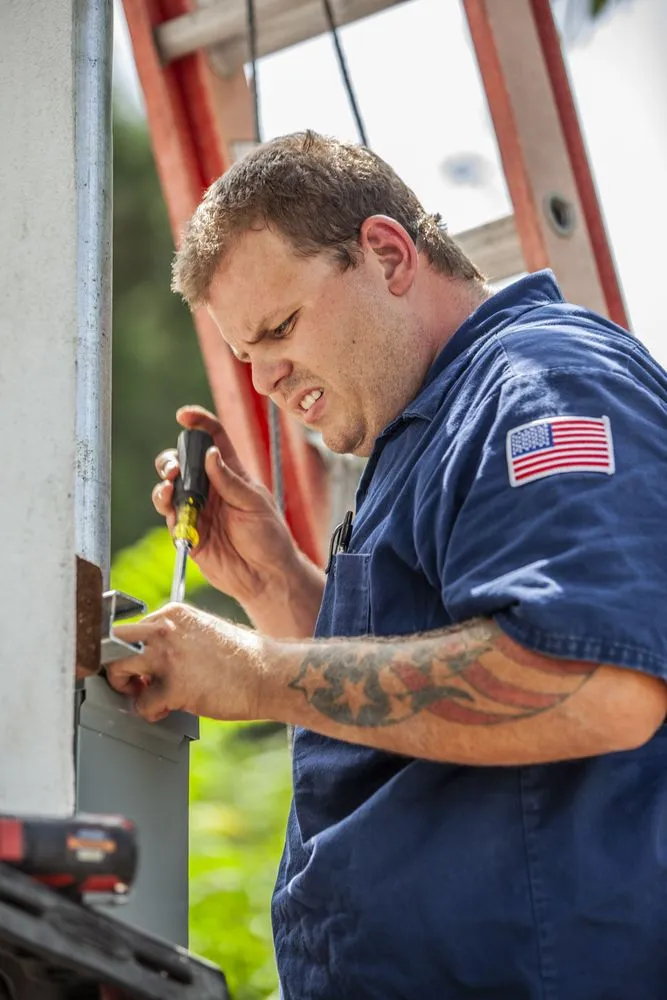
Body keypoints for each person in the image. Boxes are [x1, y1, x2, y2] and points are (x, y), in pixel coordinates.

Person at [108, 131, 667, 1000]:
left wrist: (255, 673)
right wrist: (274, 585)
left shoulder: (539, 384)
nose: (266, 380)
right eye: (246, 357)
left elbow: (593, 679)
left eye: (280, 329)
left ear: (385, 253)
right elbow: (399, 715)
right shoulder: (422, 430)